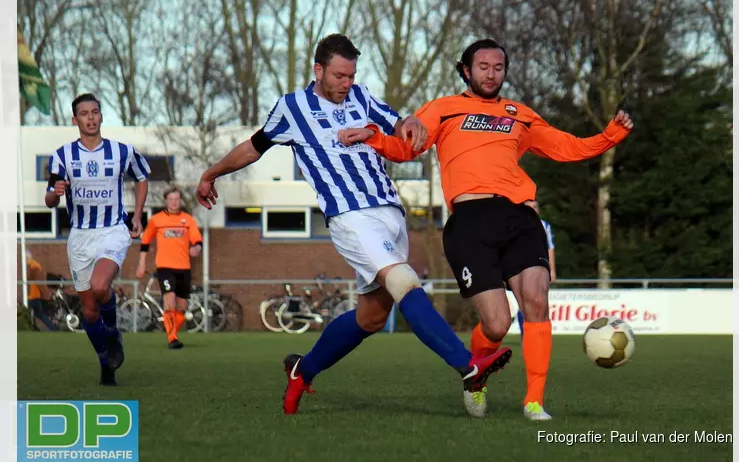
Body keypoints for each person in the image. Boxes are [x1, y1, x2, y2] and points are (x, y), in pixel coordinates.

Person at [195, 33, 512, 417]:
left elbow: (399, 125)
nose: (347, 84)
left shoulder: (362, 97)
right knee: (404, 281)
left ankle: (302, 370)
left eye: (352, 75)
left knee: (372, 316)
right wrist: (211, 173)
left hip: (390, 212)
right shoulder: (292, 108)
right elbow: (253, 147)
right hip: (349, 216)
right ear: (319, 70)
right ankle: (468, 367)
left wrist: (411, 121)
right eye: (340, 76)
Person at [337, 38, 634, 420]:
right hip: (470, 223)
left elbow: (568, 147)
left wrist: (611, 135)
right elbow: (407, 146)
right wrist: (375, 137)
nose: (491, 74)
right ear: (466, 70)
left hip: (519, 217)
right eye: (483, 67)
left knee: (537, 300)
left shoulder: (520, 115)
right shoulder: (444, 109)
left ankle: (534, 402)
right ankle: (475, 377)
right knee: (497, 323)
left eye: (498, 68)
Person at [45, 93, 150, 386]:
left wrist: (138, 216)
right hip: (80, 236)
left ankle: (114, 333)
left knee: (101, 286)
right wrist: (56, 192)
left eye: (95, 112)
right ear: (75, 119)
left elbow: (142, 178)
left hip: (112, 230)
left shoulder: (121, 151)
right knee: (89, 310)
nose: (90, 118)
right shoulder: (62, 156)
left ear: (101, 116)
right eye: (84, 113)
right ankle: (105, 361)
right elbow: (50, 199)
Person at [136, 186, 203, 349]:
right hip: (165, 267)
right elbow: (145, 242)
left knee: (181, 307)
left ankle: (172, 333)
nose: (174, 202)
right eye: (171, 199)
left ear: (180, 201)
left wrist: (197, 248)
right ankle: (172, 338)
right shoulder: (156, 220)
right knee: (170, 302)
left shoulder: (188, 220)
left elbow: (197, 239)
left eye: (176, 199)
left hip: (184, 268)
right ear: (166, 201)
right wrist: (142, 263)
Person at [516, 199, 556, 337]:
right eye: (530, 207)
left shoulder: (545, 226)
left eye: (535, 206)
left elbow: (550, 247)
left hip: (541, 268)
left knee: (540, 301)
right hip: (521, 269)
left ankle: (539, 334)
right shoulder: (516, 226)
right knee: (524, 303)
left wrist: (552, 270)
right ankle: (527, 334)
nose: (533, 209)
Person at [26, 250, 56, 331]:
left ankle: (31, 329)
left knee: (25, 313)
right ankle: (53, 329)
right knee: (39, 314)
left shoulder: (33, 266)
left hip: (32, 296)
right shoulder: (34, 265)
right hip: (35, 295)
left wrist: (45, 294)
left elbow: (38, 281)